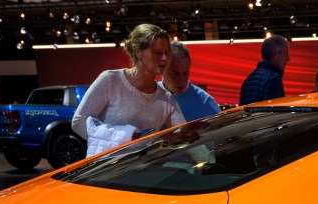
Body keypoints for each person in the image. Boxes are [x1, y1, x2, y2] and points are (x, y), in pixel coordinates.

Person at [72, 23, 184, 157]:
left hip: (138, 174)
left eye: (166, 53)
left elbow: (185, 135)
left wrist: (209, 162)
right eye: (157, 53)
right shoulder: (111, 80)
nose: (165, 58)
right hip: (102, 172)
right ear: (138, 52)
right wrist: (124, 138)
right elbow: (79, 121)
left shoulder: (166, 100)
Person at [163, 41, 221, 121]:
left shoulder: (205, 102)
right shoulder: (151, 94)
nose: (181, 80)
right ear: (163, 70)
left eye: (185, 73)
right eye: (175, 74)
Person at [239, 35, 290, 105]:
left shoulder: (248, 80)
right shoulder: (273, 79)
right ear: (276, 53)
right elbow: (275, 113)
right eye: (286, 53)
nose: (288, 59)